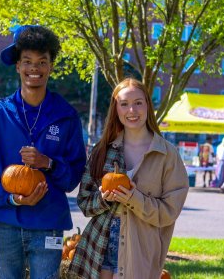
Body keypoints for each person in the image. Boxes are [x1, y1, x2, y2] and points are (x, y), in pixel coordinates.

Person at [0, 25, 87, 278]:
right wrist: (12, 199)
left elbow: (72, 178)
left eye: (42, 61)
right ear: (17, 66)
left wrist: (49, 163)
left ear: (50, 66)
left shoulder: (67, 116)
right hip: (6, 221)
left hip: (49, 224)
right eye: (27, 61)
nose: (34, 68)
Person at [68, 78, 189, 279]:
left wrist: (133, 198)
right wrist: (104, 198)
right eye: (124, 104)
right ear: (116, 109)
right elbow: (84, 203)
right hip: (100, 246)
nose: (131, 110)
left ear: (147, 106)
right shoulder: (102, 151)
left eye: (138, 103)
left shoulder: (167, 154)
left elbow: (169, 211)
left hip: (140, 248)